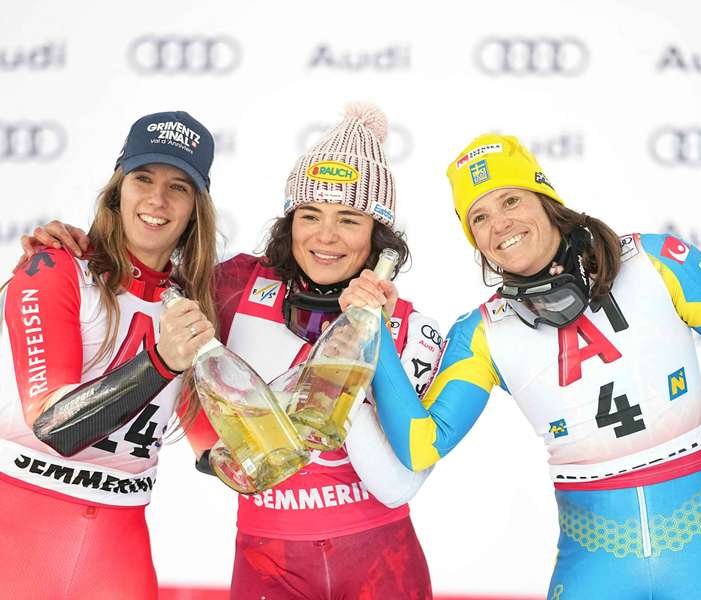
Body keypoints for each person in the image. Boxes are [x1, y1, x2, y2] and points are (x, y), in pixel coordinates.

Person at [349, 133, 701, 599]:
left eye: (510, 200)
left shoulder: (656, 261)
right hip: (595, 562)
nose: (498, 223)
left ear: (545, 199)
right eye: (478, 217)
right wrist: (374, 336)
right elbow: (420, 445)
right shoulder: (481, 334)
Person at [23, 104, 439, 599]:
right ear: (290, 222)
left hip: (381, 560)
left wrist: (362, 355)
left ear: (379, 234)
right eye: (309, 215)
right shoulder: (232, 285)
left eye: (349, 219)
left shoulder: (412, 327)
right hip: (270, 561)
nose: (325, 236)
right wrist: (81, 246)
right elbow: (148, 269)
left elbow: (397, 487)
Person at [0, 111, 219, 599]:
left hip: (117, 551)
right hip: (17, 538)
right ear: (118, 189)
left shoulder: (191, 303)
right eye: (143, 178)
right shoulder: (53, 268)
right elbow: (56, 426)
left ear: (195, 209)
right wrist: (163, 361)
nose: (157, 199)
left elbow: (214, 446)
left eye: (178, 186)